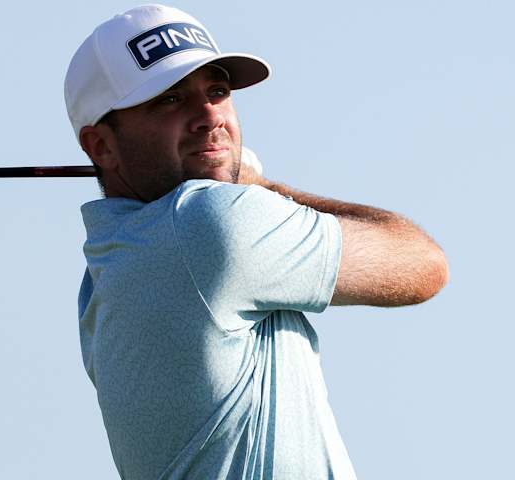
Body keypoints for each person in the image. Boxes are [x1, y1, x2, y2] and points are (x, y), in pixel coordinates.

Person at [64, 4, 448, 480]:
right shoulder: (204, 222)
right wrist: (267, 189)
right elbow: (423, 264)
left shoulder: (101, 278)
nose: (209, 117)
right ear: (101, 146)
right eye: (169, 99)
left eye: (217, 91)